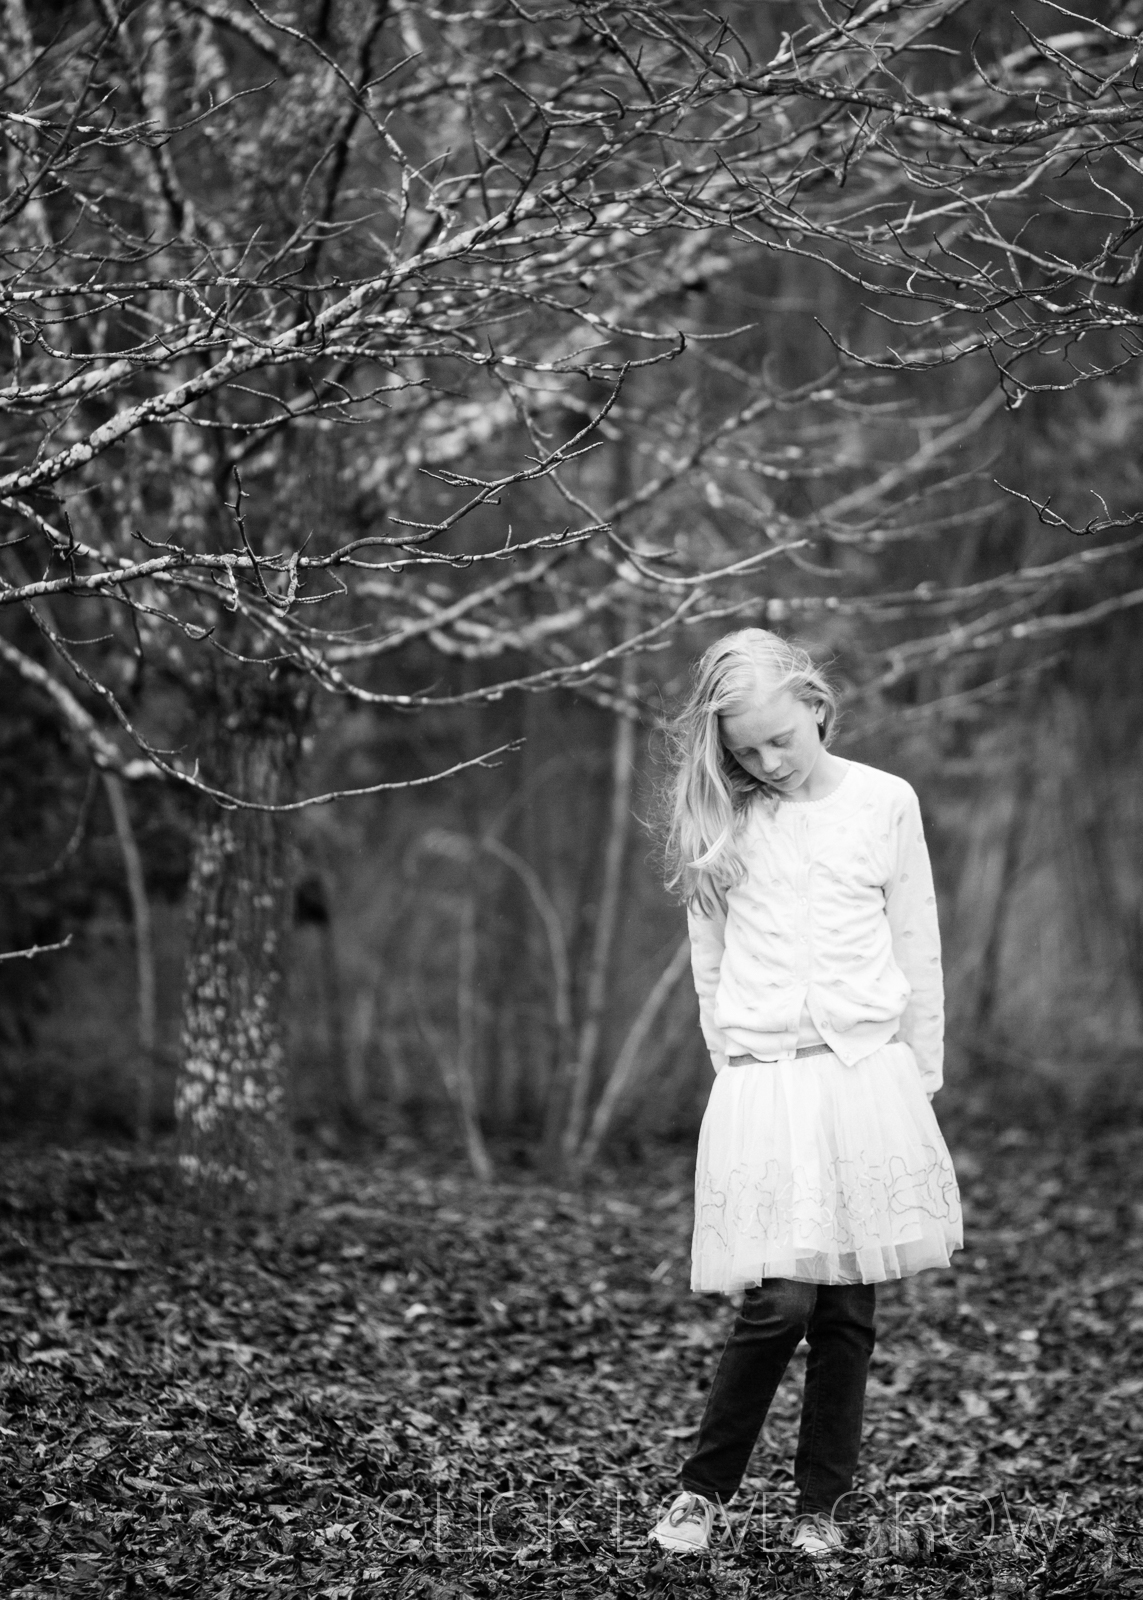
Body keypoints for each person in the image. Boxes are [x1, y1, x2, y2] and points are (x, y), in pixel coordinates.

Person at [648, 628, 962, 1558]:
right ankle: (701, 1492)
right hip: (765, 1083)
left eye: (781, 739)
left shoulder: (883, 803)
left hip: (869, 1077)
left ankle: (820, 1508)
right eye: (744, 751)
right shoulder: (727, 820)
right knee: (778, 1297)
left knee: (846, 1309)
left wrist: (919, 1077)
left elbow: (918, 943)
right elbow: (710, 966)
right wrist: (735, 1068)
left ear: (816, 706)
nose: (767, 762)